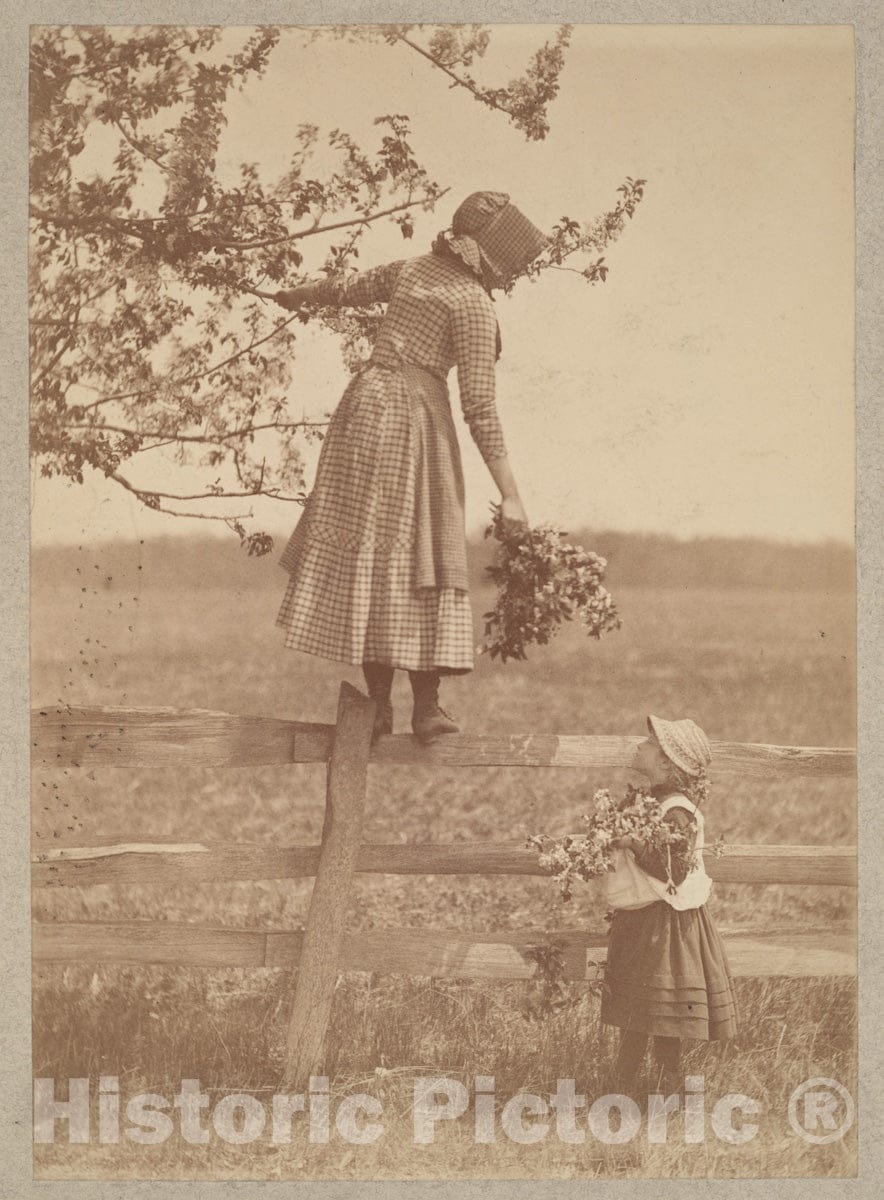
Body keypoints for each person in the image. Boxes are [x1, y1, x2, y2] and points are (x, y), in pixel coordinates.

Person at [272, 191, 548, 742]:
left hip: (364, 410)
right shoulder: (472, 305)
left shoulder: (411, 271)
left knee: (377, 555)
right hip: (415, 424)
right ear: (488, 259)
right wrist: (512, 494)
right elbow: (480, 407)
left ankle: (378, 706)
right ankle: (427, 707)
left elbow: (346, 289)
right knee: (427, 550)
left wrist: (295, 294)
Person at [599, 715, 739, 1097]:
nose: (639, 746)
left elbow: (673, 868)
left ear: (665, 762)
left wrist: (632, 843)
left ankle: (666, 1091)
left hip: (666, 924)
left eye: (648, 743)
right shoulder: (649, 802)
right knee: (638, 1010)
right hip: (646, 919)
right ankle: (625, 1088)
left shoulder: (678, 811)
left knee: (663, 1014)